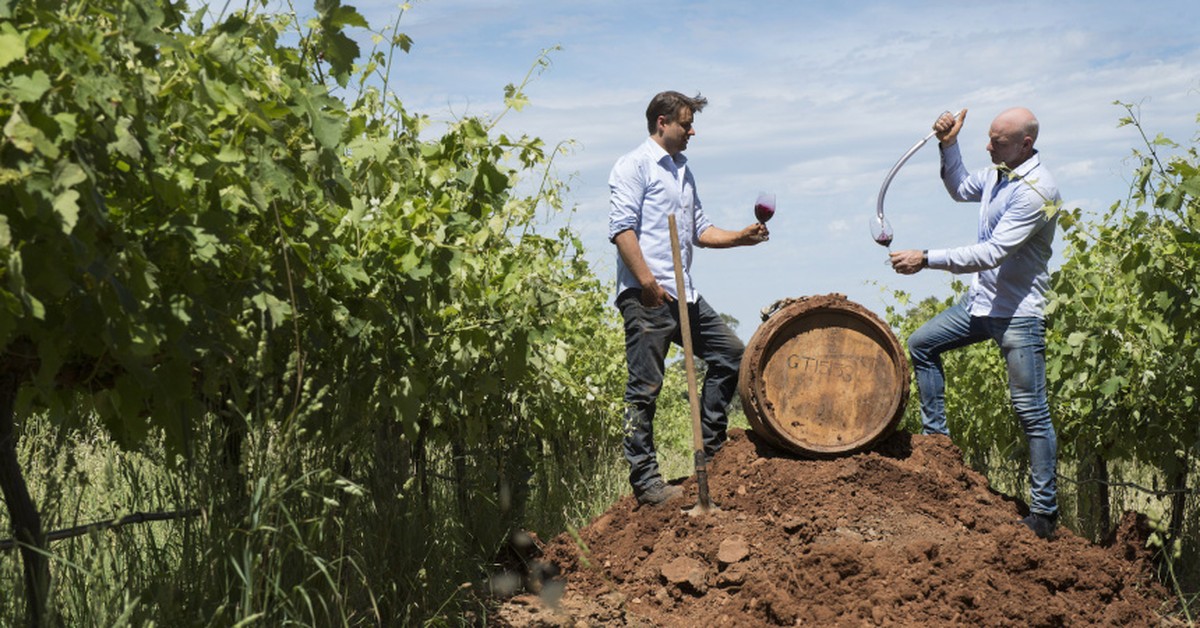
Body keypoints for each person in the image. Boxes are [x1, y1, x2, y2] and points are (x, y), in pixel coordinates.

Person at [889, 107, 1061, 539]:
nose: (988, 147)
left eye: (997, 142)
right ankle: (938, 449)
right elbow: (960, 187)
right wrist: (949, 145)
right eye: (988, 138)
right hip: (981, 304)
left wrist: (926, 258)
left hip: (1017, 313)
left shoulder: (1038, 191)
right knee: (923, 344)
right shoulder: (998, 175)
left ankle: (1044, 514)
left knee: (1031, 411)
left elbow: (992, 253)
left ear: (1025, 144)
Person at [608, 91, 769, 506]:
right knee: (644, 388)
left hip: (684, 294)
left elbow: (700, 230)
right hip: (647, 295)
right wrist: (647, 283)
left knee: (731, 354)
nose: (692, 131)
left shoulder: (683, 169)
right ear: (662, 122)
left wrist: (742, 237)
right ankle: (646, 482)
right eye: (686, 123)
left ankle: (713, 452)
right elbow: (622, 230)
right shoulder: (633, 166)